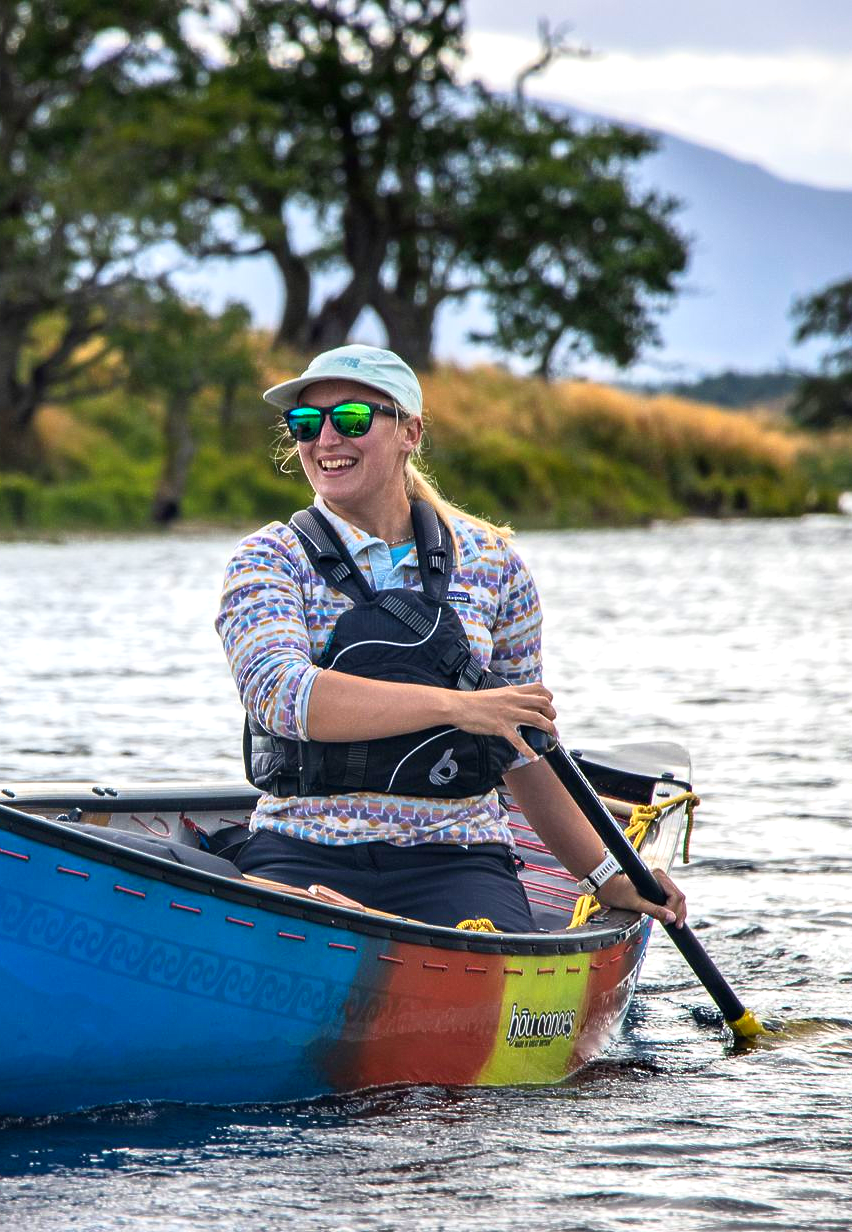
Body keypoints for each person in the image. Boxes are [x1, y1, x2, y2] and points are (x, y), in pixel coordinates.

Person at [215, 344, 685, 931]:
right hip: (301, 848)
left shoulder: (493, 564)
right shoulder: (267, 557)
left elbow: (522, 746)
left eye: (353, 419)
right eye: (307, 423)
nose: (326, 439)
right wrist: (460, 708)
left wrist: (610, 877)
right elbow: (282, 698)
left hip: (457, 859)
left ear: (410, 431)